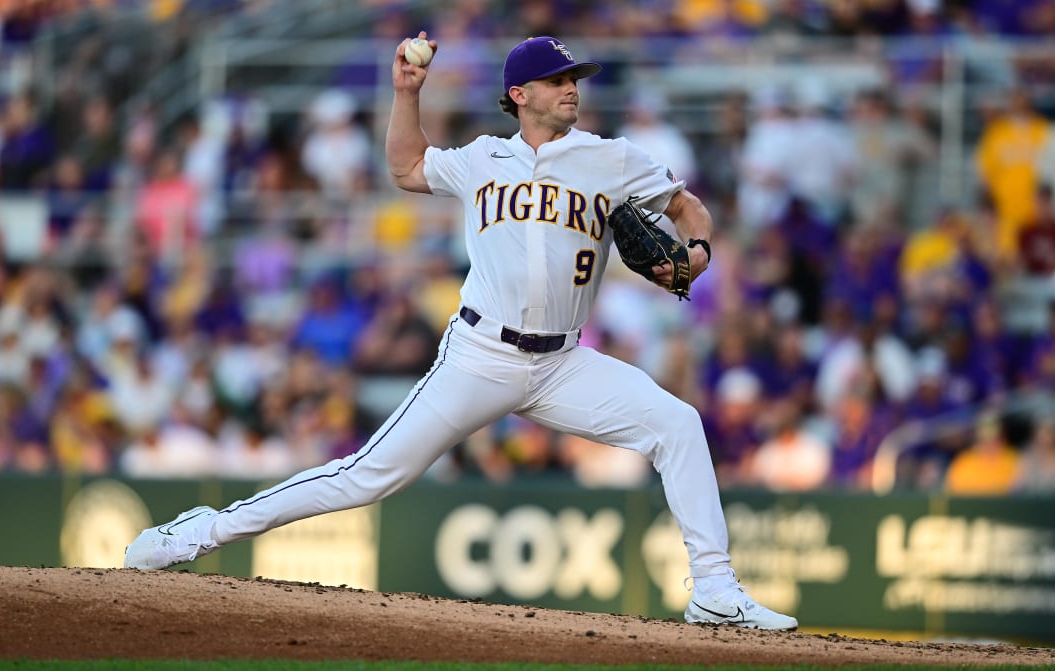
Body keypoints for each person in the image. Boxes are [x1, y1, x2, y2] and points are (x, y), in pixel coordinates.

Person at [124, 33, 797, 631]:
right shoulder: (482, 159)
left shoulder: (610, 158)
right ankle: (200, 532)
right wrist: (406, 95)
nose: (572, 89)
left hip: (564, 363)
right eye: (560, 80)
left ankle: (713, 588)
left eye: (576, 80)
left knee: (677, 423)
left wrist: (699, 249)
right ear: (520, 93)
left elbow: (686, 206)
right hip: (479, 354)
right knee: (365, 477)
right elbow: (406, 168)